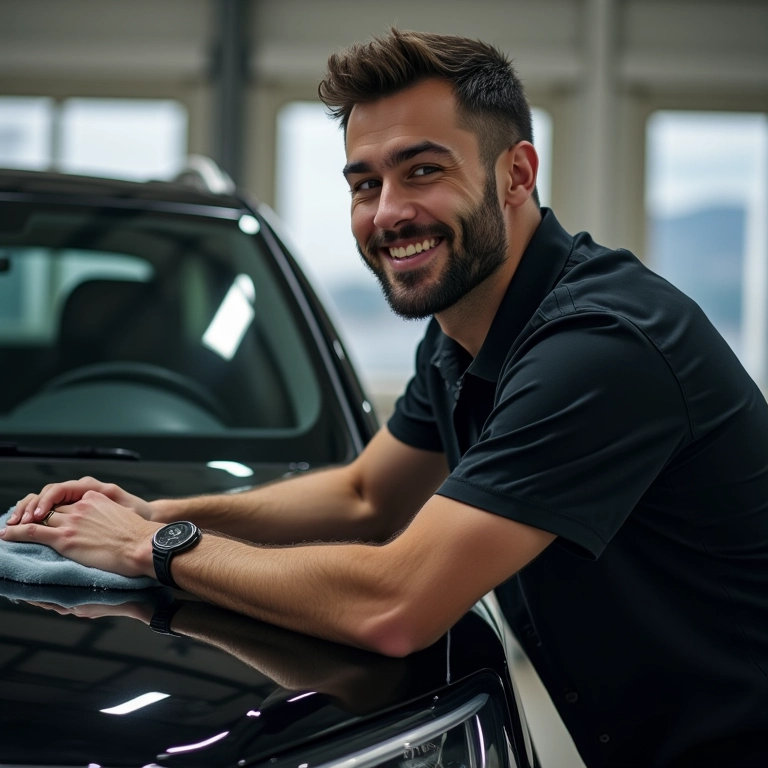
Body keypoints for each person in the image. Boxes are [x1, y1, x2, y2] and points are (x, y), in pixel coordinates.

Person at [3, 28, 768, 767]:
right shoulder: (463, 331)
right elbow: (368, 493)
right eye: (365, 183)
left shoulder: (600, 348)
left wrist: (152, 550)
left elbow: (395, 607)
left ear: (518, 174)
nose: (387, 212)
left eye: (423, 171)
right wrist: (154, 511)